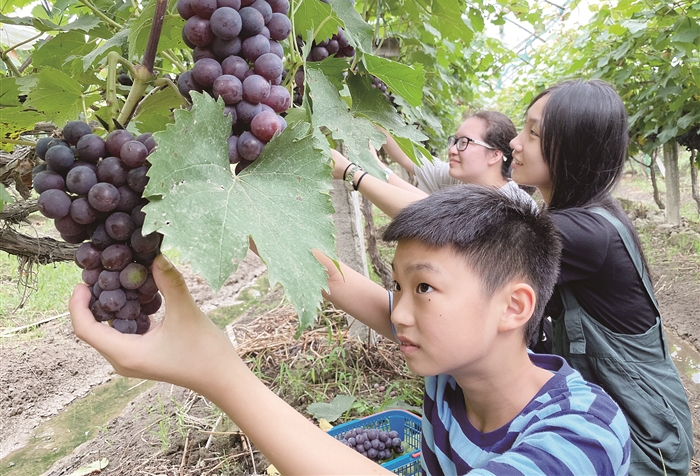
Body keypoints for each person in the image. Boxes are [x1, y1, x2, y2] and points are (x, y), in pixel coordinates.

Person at [69, 186, 631, 475]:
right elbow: (333, 278)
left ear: (514, 307)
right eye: (398, 287)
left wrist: (219, 373)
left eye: (424, 288)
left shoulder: (585, 435)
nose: (399, 312)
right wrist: (237, 205)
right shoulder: (456, 368)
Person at [509, 78, 694, 475]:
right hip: (614, 422)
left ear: (572, 149)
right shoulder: (584, 213)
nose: (515, 142)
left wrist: (366, 175)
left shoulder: (585, 233)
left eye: (533, 133)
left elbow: (464, 240)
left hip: (644, 440)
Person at [332, 111, 535, 219]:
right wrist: (370, 113)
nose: (452, 149)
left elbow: (430, 212)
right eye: (454, 141)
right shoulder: (458, 178)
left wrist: (358, 171)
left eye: (464, 142)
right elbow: (407, 156)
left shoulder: (514, 206)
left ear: (495, 155)